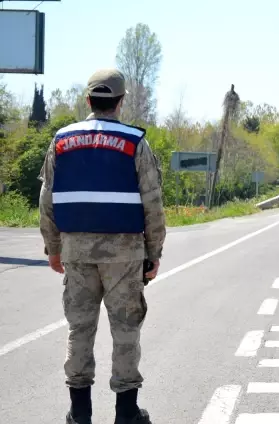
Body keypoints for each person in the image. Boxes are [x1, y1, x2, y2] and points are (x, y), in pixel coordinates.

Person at [38, 68, 166, 424]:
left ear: (88, 100)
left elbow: (46, 200)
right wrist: (153, 254)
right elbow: (152, 204)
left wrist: (53, 248)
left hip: (76, 252)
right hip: (124, 255)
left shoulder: (61, 140)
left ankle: (80, 413)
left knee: (80, 328)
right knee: (126, 329)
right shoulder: (134, 142)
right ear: (121, 102)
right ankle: (126, 412)